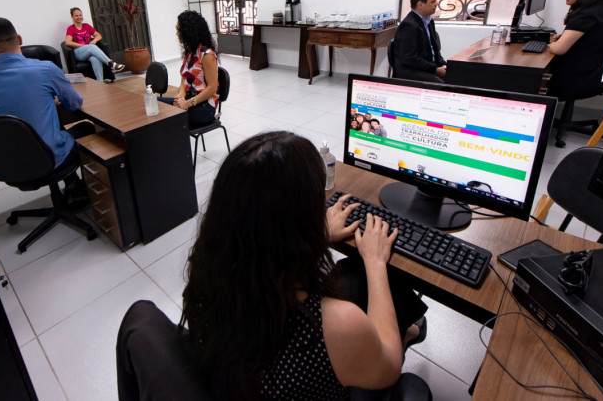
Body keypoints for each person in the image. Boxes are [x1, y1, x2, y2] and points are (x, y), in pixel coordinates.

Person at [181, 131, 427, 399]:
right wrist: (376, 262)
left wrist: (317, 237)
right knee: (373, 278)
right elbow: (390, 367)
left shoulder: (207, 278)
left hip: (252, 384)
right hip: (340, 375)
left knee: (352, 274)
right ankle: (406, 331)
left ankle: (409, 325)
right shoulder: (335, 326)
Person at [0, 17, 87, 169]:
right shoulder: (45, 68)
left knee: (54, 127)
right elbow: (75, 103)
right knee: (86, 127)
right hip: (48, 159)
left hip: (10, 163)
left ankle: (70, 185)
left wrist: (43, 101)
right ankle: (79, 186)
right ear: (20, 39)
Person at [160, 10, 219, 128]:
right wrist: (181, 95)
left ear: (189, 32)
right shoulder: (190, 53)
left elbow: (212, 88)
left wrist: (188, 103)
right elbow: (184, 80)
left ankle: (175, 145)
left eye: (179, 29)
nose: (177, 33)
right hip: (189, 100)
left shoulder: (207, 55)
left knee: (166, 117)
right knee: (155, 104)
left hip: (204, 107)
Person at [394, 0, 446, 82]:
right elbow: (410, 59)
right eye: (433, 1)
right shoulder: (408, 25)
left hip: (426, 67)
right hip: (411, 71)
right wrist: (435, 70)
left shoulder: (429, 21)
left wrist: (444, 65)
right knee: (440, 84)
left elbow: (435, 51)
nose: (437, 4)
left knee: (457, 75)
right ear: (420, 4)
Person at [65, 7, 125, 83]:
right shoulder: (71, 28)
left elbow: (99, 35)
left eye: (80, 15)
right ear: (72, 17)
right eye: (76, 16)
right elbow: (68, 42)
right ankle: (111, 63)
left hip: (89, 51)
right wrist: (83, 46)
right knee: (90, 47)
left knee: (95, 59)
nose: (79, 17)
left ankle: (100, 82)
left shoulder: (86, 26)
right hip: (78, 53)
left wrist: (94, 41)